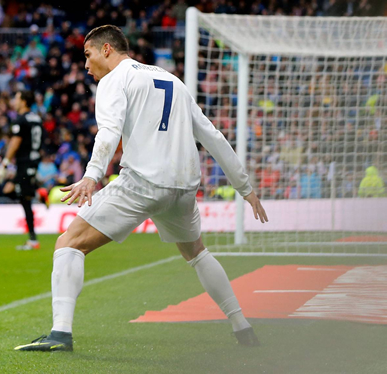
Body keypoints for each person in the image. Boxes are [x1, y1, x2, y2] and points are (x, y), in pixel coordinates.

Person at [15, 25, 268, 352]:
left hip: (144, 182)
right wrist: (245, 188)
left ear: (107, 49)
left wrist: (92, 175)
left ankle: (60, 333)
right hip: (183, 187)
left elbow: (108, 132)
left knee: (69, 243)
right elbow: (213, 137)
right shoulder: (172, 81)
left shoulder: (114, 80)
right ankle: (242, 327)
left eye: (88, 55)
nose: (87, 66)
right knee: (197, 253)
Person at [0, 90, 48, 250]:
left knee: (24, 199)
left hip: (25, 162)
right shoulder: (36, 118)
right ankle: (36, 191)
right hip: (32, 161)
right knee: (9, 190)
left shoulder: (21, 119)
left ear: (24, 101)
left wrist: (4, 163)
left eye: (16, 98)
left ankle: (33, 240)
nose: (14, 101)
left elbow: (15, 142)